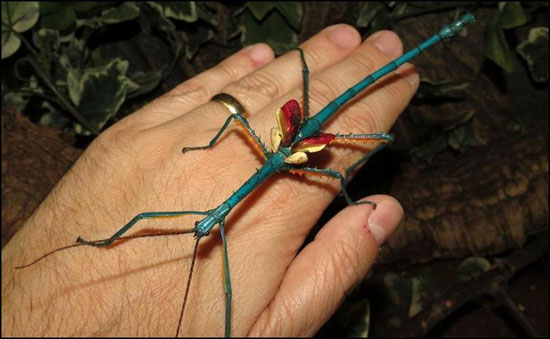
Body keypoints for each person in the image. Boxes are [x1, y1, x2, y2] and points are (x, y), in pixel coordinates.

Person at [2, 24, 418, 336]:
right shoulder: (212, 220)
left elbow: (238, 122)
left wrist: (345, 184)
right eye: (208, 226)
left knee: (372, 144)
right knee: (150, 216)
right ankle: (103, 242)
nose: (205, 227)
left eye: (208, 224)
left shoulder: (287, 159)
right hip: (286, 146)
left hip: (293, 144)